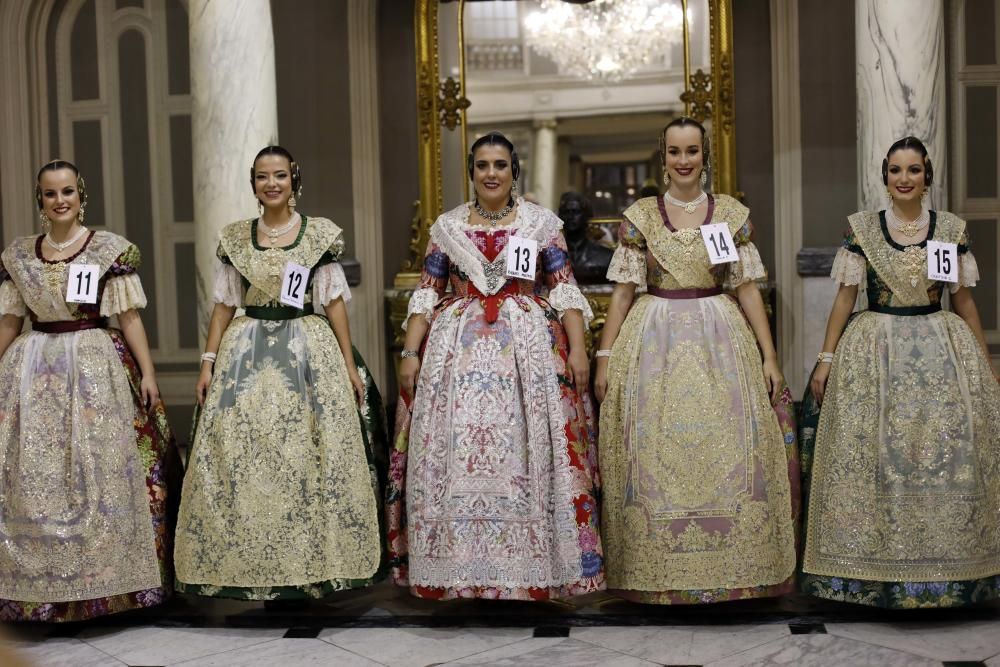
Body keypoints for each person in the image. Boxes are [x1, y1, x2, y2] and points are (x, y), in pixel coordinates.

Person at [386, 131, 604, 600]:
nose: (491, 174)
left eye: (500, 165)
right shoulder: (446, 228)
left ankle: (529, 573)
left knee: (525, 449)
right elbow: (426, 292)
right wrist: (409, 353)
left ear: (514, 171)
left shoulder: (541, 224)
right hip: (455, 355)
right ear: (472, 172)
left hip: (528, 353)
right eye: (482, 165)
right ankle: (458, 572)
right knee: (456, 447)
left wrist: (579, 348)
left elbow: (564, 288)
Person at [594, 117, 798, 604]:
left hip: (719, 337)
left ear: (705, 155)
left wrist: (770, 357)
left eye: (691, 151)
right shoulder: (641, 217)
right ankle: (658, 572)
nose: (683, 161)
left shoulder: (729, 214)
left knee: (726, 445)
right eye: (674, 152)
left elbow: (746, 289)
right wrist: (605, 356)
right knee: (654, 453)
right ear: (661, 157)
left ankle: (731, 568)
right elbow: (622, 294)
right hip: (653, 339)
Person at [174, 146, 387, 601]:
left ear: (295, 180)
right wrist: (208, 362)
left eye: (280, 176)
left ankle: (312, 565)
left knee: (307, 454)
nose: (272, 184)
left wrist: (350, 366)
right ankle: (250, 567)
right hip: (244, 351)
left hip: (306, 349)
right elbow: (222, 306)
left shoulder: (319, 235)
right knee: (246, 457)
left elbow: (332, 304)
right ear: (253, 184)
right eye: (262, 177)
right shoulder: (234, 238)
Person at [800, 137, 1000, 608]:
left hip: (940, 349)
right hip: (875, 350)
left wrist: (985, 363)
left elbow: (964, 301)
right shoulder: (863, 231)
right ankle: (873, 572)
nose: (904, 179)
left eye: (913, 170)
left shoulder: (948, 230)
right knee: (878, 456)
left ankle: (950, 570)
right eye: (895, 170)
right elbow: (845, 300)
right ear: (885, 175)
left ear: (927, 175)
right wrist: (826, 359)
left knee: (942, 454)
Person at [0, 160, 179, 621]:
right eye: (49, 193)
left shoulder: (107, 250)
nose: (59, 201)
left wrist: (148, 372)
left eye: (67, 192)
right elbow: (10, 321)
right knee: (35, 472)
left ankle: (111, 584)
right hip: (34, 368)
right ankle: (40, 588)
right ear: (39, 200)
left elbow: (130, 318)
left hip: (94, 365)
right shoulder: (19, 255)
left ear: (81, 194)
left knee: (100, 469)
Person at [558, 191, 613, 284]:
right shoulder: (550, 257)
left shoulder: (606, 257)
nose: (570, 217)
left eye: (576, 212)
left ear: (587, 216)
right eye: (566, 212)